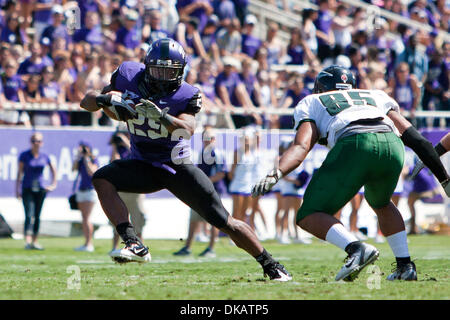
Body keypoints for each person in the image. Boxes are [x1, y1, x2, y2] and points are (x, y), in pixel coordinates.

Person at [79, 38, 291, 281]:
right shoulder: (127, 74)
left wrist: (162, 118)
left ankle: (271, 264)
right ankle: (133, 243)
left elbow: (186, 131)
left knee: (224, 221)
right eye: (158, 69)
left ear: (180, 72)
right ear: (147, 66)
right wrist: (106, 100)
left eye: (169, 71)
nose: (162, 76)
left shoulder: (187, 94)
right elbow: (86, 102)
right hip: (142, 164)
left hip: (175, 167)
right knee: (102, 178)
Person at [253, 65, 450, 282]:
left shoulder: (312, 101)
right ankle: (405, 266)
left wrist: (276, 173)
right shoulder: (374, 95)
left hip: (354, 143)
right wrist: (444, 178)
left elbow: (301, 147)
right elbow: (416, 138)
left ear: (321, 86)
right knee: (382, 203)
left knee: (308, 214)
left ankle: (356, 248)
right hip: (393, 146)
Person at [173, 127, 226, 257]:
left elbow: (221, 173)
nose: (206, 141)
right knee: (194, 218)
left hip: (213, 190)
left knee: (215, 219)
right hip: (202, 189)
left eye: (209, 138)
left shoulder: (216, 153)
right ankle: (188, 246)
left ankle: (211, 248)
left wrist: (204, 181)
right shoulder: (203, 152)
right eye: (205, 139)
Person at [16, 132, 57, 250]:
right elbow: (19, 173)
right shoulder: (24, 155)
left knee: (38, 215)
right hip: (27, 187)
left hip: (41, 188)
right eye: (34, 141)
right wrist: (17, 189)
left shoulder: (45, 156)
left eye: (38, 141)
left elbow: (53, 170)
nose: (36, 143)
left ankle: (35, 241)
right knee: (29, 215)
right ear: (31, 142)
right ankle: (27, 241)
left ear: (42, 143)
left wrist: (53, 184)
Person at [109, 132, 146, 252]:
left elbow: (138, 157)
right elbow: (114, 163)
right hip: (121, 189)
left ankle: (141, 247)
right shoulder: (118, 150)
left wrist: (126, 143)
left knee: (137, 220)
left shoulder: (137, 145)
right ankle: (115, 247)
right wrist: (115, 146)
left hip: (136, 190)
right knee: (118, 219)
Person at [72, 141, 99, 252]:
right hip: (81, 190)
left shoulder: (93, 159)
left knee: (87, 218)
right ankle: (86, 242)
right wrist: (78, 157)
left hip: (90, 190)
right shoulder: (80, 161)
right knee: (84, 218)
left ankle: (89, 243)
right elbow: (73, 169)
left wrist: (87, 158)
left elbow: (92, 172)